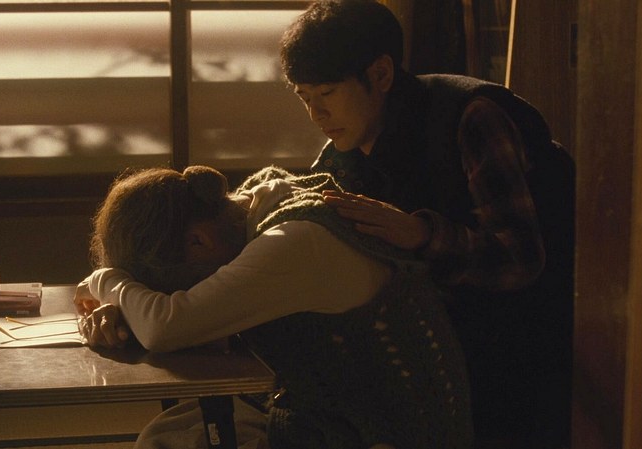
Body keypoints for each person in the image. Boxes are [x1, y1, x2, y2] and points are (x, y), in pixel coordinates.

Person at [279, 1, 575, 448]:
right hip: (428, 355)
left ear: (381, 74)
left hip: (520, 354)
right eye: (305, 98)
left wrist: (422, 235)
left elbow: (521, 260)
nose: (316, 115)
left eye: (327, 93)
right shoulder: (342, 152)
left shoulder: (470, 116)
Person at [75, 165, 473, 449]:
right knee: (168, 435)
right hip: (331, 410)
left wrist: (107, 280)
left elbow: (167, 326)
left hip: (389, 432)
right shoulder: (260, 202)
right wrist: (125, 307)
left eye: (184, 285)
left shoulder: (291, 243)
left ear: (198, 241)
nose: (196, 290)